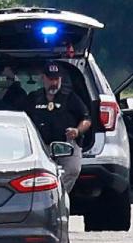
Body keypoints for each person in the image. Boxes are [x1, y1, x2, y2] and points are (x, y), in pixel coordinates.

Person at [26, 61, 92, 192]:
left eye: (56, 79)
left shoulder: (70, 97)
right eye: (50, 79)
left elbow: (87, 119)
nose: (54, 83)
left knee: (73, 169)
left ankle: (59, 195)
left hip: (67, 144)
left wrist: (77, 131)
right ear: (43, 78)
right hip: (40, 146)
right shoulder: (34, 98)